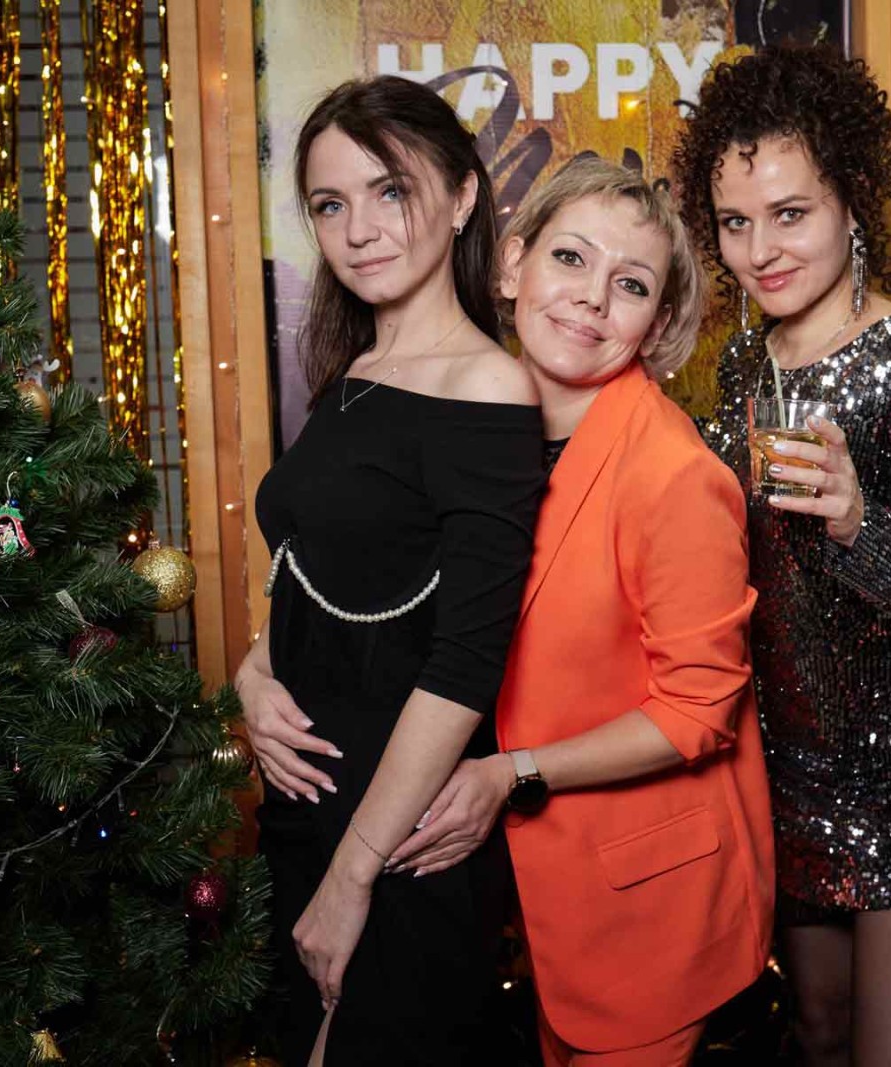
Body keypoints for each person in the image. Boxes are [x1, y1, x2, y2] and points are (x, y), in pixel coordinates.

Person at [673, 44, 891, 1066]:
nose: (760, 251)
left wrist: (860, 523)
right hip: (796, 767)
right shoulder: (745, 362)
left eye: (790, 213)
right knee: (819, 1031)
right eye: (735, 222)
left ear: (851, 201)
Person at [388, 157, 775, 1066]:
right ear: (512, 265)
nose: (592, 298)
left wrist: (511, 773)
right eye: (570, 258)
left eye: (631, 284)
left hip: (650, 908)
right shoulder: (476, 434)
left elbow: (697, 711)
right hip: (527, 906)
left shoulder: (674, 474)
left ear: (659, 325)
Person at [239, 76, 544, 1065]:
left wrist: (354, 874)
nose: (359, 231)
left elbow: (464, 660)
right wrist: (253, 672)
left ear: (461, 197)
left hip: (394, 835)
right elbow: (326, 576)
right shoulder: (353, 376)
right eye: (330, 204)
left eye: (390, 191)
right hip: (308, 807)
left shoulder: (489, 391)